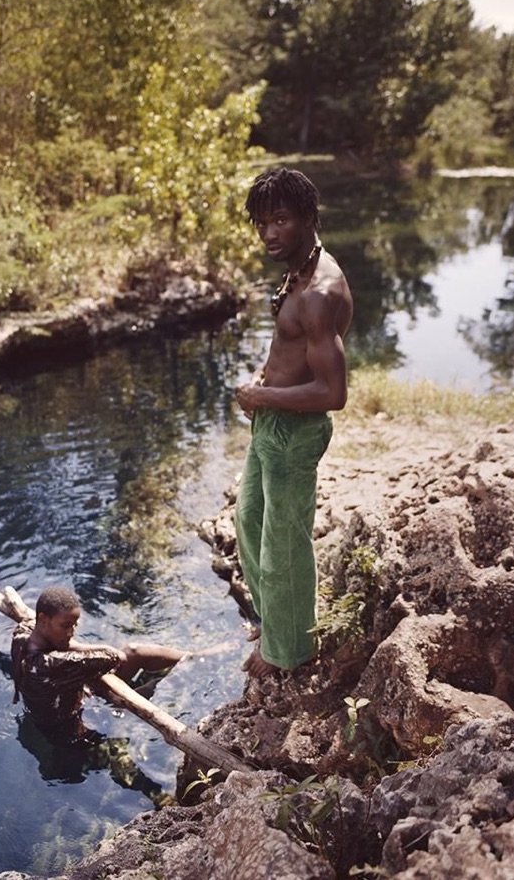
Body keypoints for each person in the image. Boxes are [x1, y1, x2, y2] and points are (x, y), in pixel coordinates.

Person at [235, 167, 353, 678]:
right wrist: (265, 391)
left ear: (308, 216)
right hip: (271, 421)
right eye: (261, 224)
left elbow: (334, 393)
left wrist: (262, 393)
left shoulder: (319, 294)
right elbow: (292, 352)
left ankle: (289, 655)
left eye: (280, 219)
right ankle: (277, 623)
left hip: (293, 432)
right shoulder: (298, 272)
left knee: (283, 542)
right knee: (250, 520)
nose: (269, 234)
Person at [11, 585, 187, 743]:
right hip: (77, 729)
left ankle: (190, 657)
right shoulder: (47, 666)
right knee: (155, 686)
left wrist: (89, 645)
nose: (72, 632)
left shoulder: (22, 633)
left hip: (76, 694)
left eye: (74, 625)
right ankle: (191, 666)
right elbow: (113, 658)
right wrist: (108, 650)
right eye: (66, 626)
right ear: (42, 620)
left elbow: (69, 645)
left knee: (134, 651)